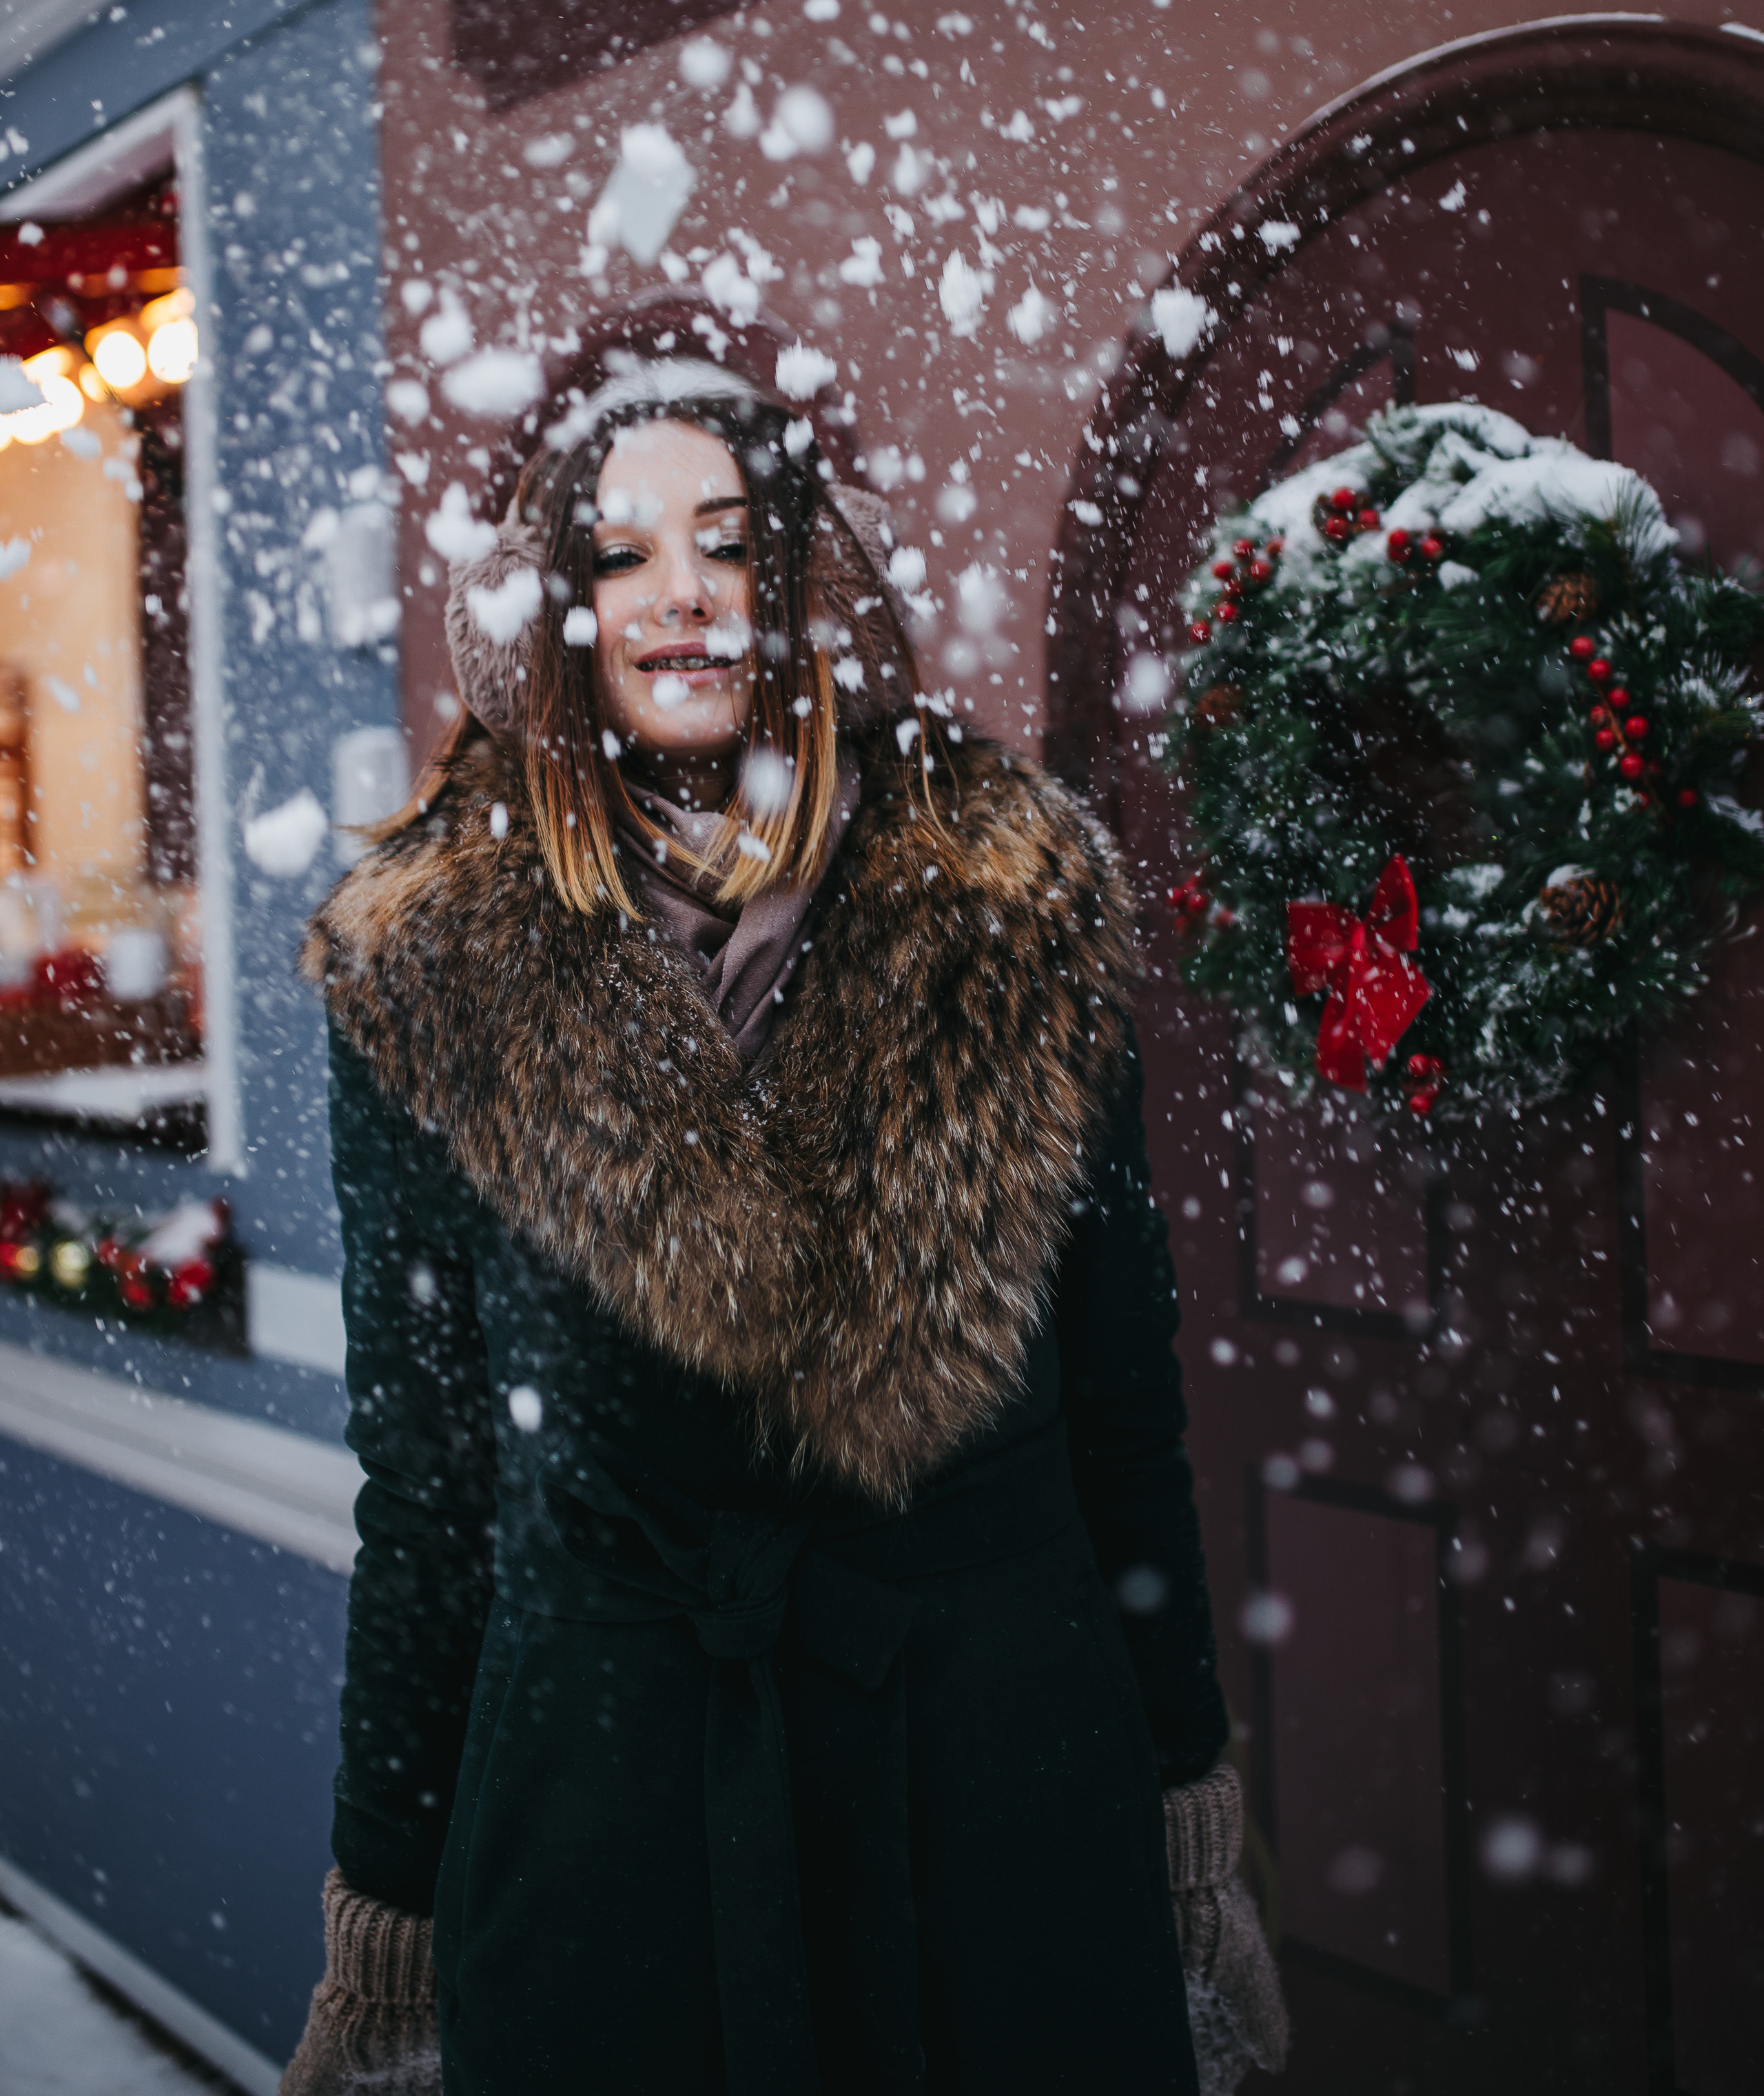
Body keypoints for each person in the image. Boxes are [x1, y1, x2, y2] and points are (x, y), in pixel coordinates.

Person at [283, 331, 1288, 2095]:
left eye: (731, 542)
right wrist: (385, 1911)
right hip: (614, 1817)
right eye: (621, 552)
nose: (682, 594)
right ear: (560, 612)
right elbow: (429, 1486)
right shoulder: (431, 965)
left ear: (804, 586)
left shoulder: (1011, 909)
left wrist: (1186, 1804)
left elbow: (1127, 1412)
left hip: (994, 1782)